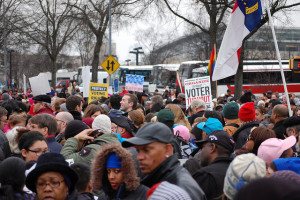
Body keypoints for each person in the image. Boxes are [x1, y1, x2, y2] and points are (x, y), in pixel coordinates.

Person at [122, 122, 206, 200]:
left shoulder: (180, 188)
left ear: (167, 150)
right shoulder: (158, 178)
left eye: (146, 150)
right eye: (138, 151)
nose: (139, 157)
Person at [193, 130, 235, 199]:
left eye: (202, 147)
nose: (200, 152)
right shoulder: (238, 173)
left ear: (212, 147)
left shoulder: (205, 175)